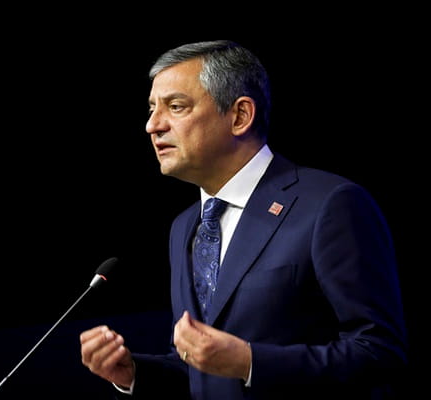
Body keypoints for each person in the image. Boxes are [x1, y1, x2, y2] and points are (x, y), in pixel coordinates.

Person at [79, 40, 407, 399]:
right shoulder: (184, 227)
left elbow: (380, 353)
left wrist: (251, 362)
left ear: (240, 116)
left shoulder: (330, 205)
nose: (152, 125)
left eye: (175, 107)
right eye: (152, 108)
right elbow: (202, 369)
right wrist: (133, 374)